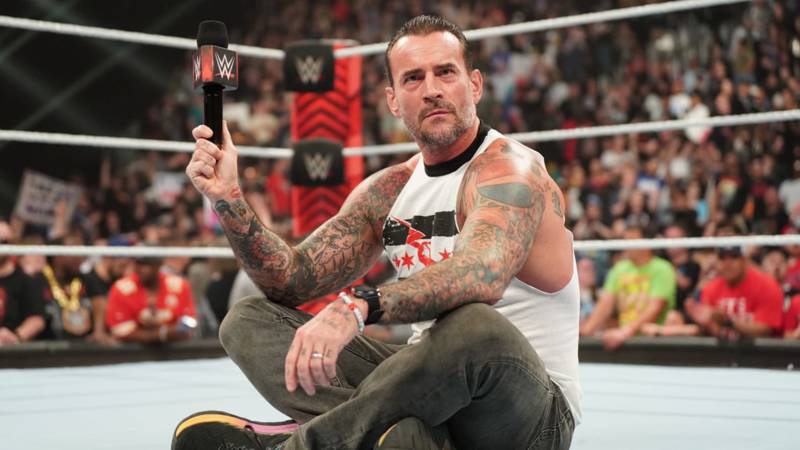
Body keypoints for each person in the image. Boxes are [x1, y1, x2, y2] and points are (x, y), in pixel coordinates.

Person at [175, 15, 580, 450]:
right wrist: (229, 199)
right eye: (413, 78)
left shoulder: (511, 170)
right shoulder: (389, 191)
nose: (432, 89)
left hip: (529, 419)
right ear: (393, 100)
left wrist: (359, 305)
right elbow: (291, 281)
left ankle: (305, 444)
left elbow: (483, 273)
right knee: (248, 322)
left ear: (475, 84)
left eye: (446, 72)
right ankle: (395, 437)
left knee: (474, 326)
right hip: (430, 399)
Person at [580, 226, 676, 350]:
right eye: (625, 240)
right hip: (625, 341)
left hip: (654, 343)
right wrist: (585, 331)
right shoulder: (619, 268)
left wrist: (626, 332)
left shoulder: (662, 269)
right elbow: (605, 305)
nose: (626, 245)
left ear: (647, 244)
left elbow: (655, 308)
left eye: (632, 240)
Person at [685, 246, 784, 340]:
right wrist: (706, 323)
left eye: (734, 257)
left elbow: (765, 330)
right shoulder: (710, 288)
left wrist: (727, 322)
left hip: (762, 351)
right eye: (722, 258)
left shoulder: (766, 285)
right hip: (722, 350)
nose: (727, 264)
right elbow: (715, 331)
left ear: (744, 260)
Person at [106, 256, 197, 344]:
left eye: (146, 265)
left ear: (159, 265)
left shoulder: (179, 285)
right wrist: (163, 333)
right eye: (138, 264)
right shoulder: (121, 288)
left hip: (176, 350)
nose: (141, 269)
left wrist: (179, 329)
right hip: (132, 350)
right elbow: (120, 332)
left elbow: (190, 322)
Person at [0, 220, 46, 345]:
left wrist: (16, 336)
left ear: (11, 244)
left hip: (10, 349)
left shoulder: (25, 281)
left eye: (2, 242)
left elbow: (37, 318)